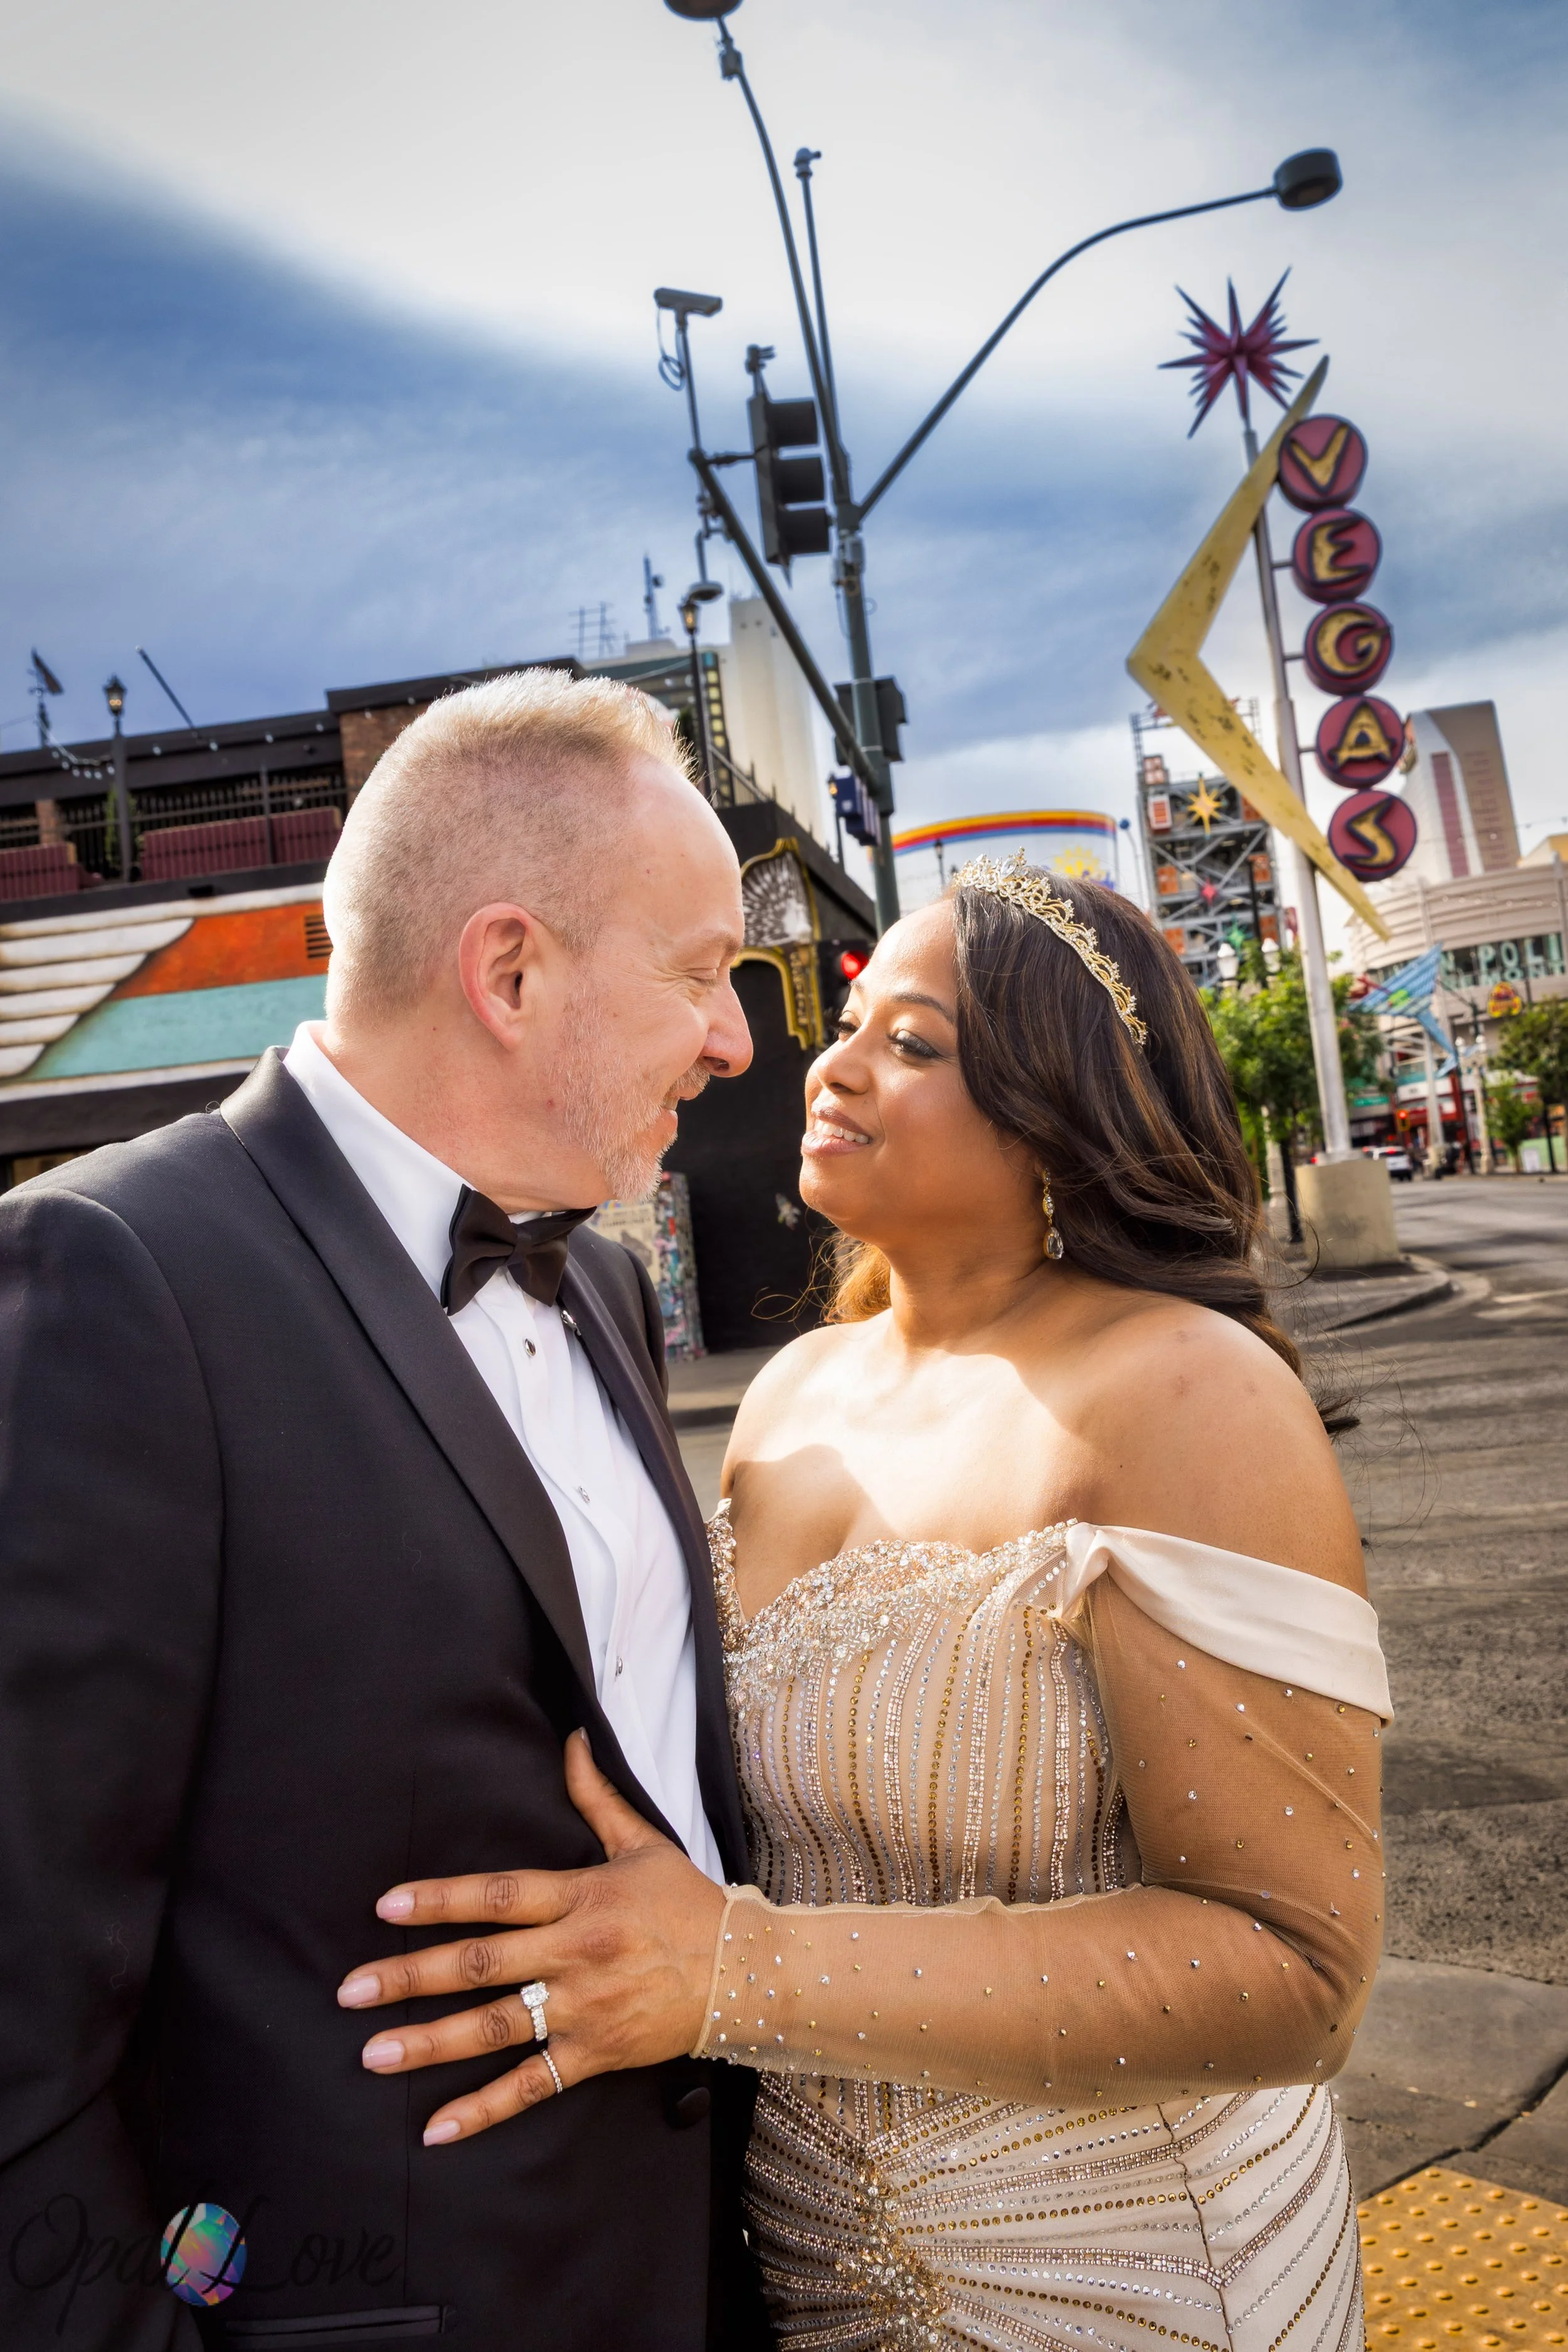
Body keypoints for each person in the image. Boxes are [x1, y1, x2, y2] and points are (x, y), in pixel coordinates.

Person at [346, 857, 1389, 2352]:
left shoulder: (1183, 1393)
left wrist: (726, 1970)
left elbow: (1294, 1973)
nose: (827, 1067)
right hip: (803, 2280)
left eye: (911, 1043)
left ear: (1064, 1110)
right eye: (846, 1025)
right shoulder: (791, 1395)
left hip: (1121, 2285)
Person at [0, 672, 772, 2349]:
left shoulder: (609, 1289)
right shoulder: (112, 1275)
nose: (735, 1039)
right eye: (703, 970)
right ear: (509, 968)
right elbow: (18, 2033)